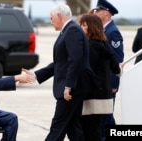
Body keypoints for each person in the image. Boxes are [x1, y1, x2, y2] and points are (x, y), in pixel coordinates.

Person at [24, 4, 91, 141]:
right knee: (74, 129)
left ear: (59, 16)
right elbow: (61, 63)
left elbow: (75, 60)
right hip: (73, 87)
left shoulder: (72, 30)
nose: (50, 21)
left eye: (51, 18)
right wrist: (37, 75)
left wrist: (68, 86)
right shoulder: (68, 30)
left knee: (57, 127)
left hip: (71, 91)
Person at [79, 14, 121, 141]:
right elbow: (116, 68)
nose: (81, 27)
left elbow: (87, 71)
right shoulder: (104, 44)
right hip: (103, 94)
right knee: (95, 129)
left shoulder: (91, 46)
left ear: (91, 28)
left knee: (89, 131)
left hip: (92, 95)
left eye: (84, 25)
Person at [90, 0, 124, 140]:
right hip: (100, 84)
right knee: (103, 119)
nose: (95, 13)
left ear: (107, 13)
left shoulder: (112, 32)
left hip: (108, 85)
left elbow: (117, 60)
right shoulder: (103, 30)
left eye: (98, 11)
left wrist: (114, 84)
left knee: (106, 119)